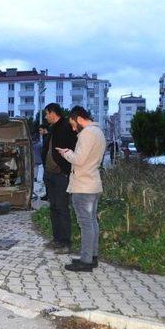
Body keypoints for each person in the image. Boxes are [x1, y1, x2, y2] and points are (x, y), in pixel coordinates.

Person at [56, 106, 106, 272]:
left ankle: (85, 261)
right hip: (93, 183)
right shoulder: (99, 132)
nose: (72, 128)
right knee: (92, 222)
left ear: (78, 119)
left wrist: (66, 153)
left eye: (72, 124)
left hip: (83, 186)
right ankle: (92, 257)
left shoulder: (86, 134)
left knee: (85, 224)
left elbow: (79, 160)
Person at [42, 103, 78, 254]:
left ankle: (66, 243)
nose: (45, 117)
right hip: (50, 175)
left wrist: (66, 170)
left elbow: (73, 148)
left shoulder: (66, 127)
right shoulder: (51, 129)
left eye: (46, 113)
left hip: (61, 175)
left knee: (62, 208)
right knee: (54, 208)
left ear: (52, 113)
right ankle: (57, 239)